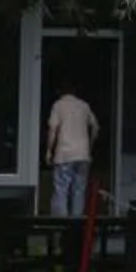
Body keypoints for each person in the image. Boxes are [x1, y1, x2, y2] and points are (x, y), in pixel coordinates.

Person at [46, 84, 101, 217]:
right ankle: (76, 225)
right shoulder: (84, 106)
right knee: (79, 190)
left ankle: (62, 223)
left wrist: (48, 150)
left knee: (61, 190)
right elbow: (96, 127)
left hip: (64, 153)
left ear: (60, 91)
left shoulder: (58, 105)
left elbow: (53, 129)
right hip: (82, 154)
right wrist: (90, 147)